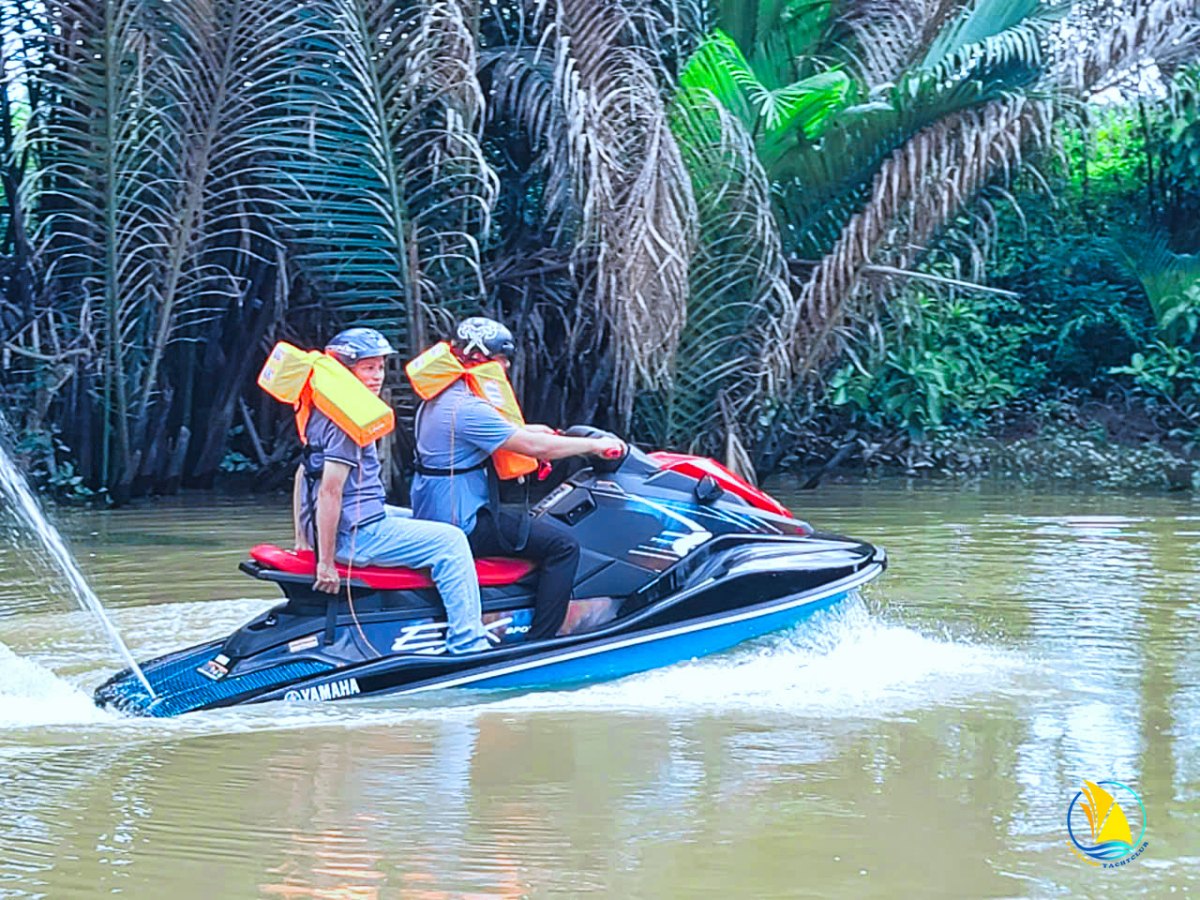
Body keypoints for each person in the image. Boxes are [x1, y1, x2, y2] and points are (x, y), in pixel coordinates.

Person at [409, 317, 625, 642]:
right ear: (481, 358)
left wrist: (543, 431)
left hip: (441, 510)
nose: (506, 365)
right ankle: (544, 639)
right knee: (562, 546)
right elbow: (536, 448)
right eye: (502, 358)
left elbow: (513, 434)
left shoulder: (445, 395)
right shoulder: (467, 408)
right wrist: (595, 446)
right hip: (461, 523)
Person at [292, 326, 491, 654]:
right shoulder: (347, 422)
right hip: (356, 533)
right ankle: (469, 642)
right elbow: (328, 492)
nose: (377, 376)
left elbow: (303, 472)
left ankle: (424, 614)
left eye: (380, 367)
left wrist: (304, 536)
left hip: (353, 522)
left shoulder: (322, 407)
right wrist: (324, 562)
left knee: (428, 519)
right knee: (452, 541)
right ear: (345, 370)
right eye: (367, 368)